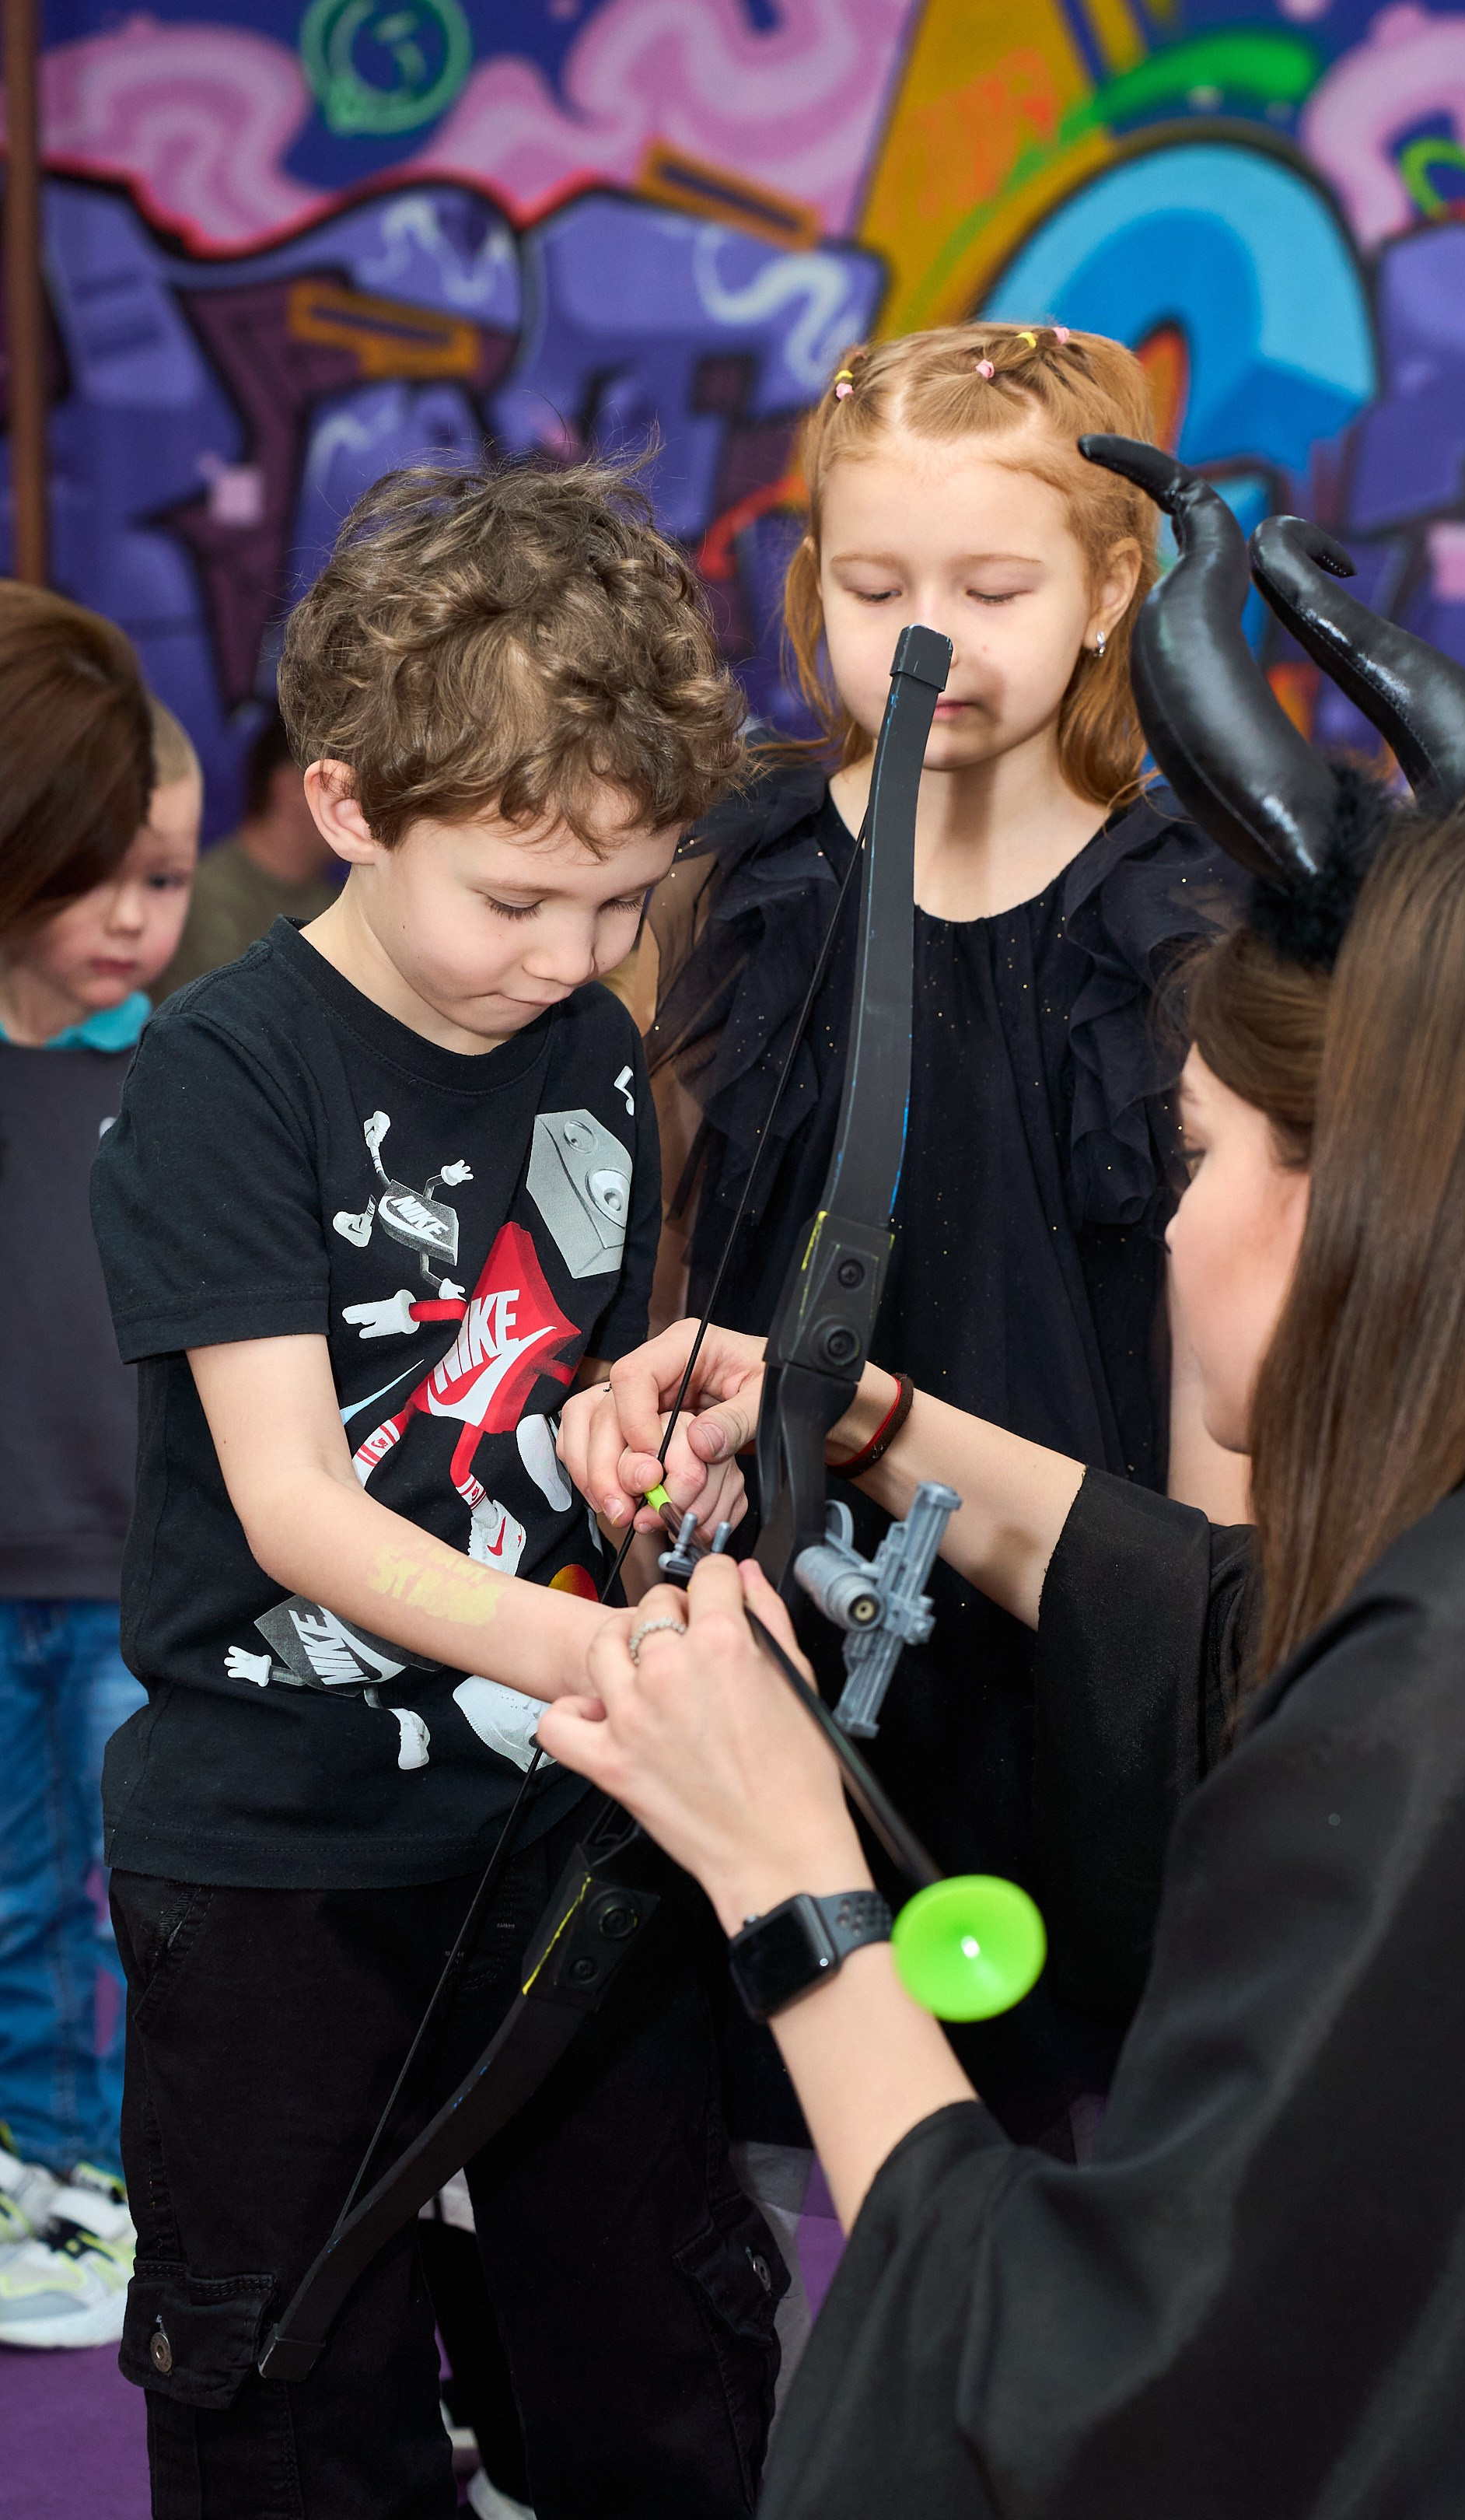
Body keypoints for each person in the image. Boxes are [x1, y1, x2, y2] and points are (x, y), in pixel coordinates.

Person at [544, 465, 1465, 2511]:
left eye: (1199, 1156)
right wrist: (872, 1421)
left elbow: (1096, 2383)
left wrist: (789, 1870)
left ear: (1378, 1210)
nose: (1167, 1228)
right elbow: (1256, 1640)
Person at [89, 459, 785, 2520]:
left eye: (622, 903)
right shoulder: (231, 1071)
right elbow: (297, 1506)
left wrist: (616, 1446)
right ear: (349, 808)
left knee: (654, 2351)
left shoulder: (574, 1041)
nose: (575, 958)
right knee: (296, 2386)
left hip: (555, 1832)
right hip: (283, 1863)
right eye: (516, 899)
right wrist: (619, 1644)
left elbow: (538, 1376)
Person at [642, 321, 1243, 2159]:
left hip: (1083, 1587)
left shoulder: (1186, 902)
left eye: (990, 586)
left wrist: (1223, 1604)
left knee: (1093, 2105)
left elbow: (1233, 1310)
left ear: (1107, 586)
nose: (925, 639)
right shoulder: (747, 874)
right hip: (789, 1584)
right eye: (874, 582)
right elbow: (679, 1223)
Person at [0, 621, 201, 2351]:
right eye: (103, 876)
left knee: (128, 1883)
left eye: (167, 876)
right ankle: (55, 2174)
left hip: (126, 1562)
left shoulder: (173, 1070)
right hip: (10, 1564)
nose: (141, 914)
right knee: (20, 1886)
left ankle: (105, 2168)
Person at [157, 705, 338, 996]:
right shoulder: (209, 893)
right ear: (292, 787)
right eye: (346, 787)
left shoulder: (334, 899)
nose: (366, 808)